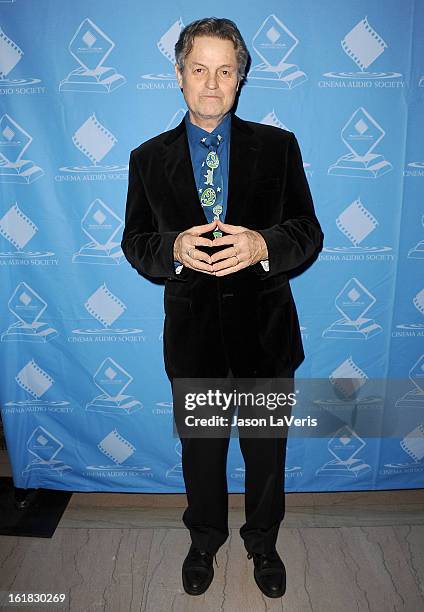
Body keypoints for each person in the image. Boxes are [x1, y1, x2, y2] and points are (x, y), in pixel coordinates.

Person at [121, 17, 323, 598]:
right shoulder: (145, 159)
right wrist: (172, 250)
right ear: (179, 76)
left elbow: (308, 231)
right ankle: (204, 538)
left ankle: (263, 541)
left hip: (265, 335)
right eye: (200, 70)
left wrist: (265, 245)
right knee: (202, 459)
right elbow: (136, 244)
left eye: (225, 71)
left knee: (266, 458)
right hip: (195, 339)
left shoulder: (280, 148)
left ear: (240, 79)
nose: (212, 83)